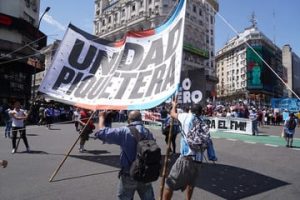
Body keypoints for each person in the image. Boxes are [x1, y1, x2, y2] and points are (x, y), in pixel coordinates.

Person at [94, 110, 155, 200]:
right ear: (141, 119)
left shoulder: (124, 131)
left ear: (129, 120)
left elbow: (102, 133)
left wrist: (101, 117)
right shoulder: (147, 132)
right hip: (146, 173)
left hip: (129, 173)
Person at [163, 101, 214, 200]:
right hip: (198, 161)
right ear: (200, 112)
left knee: (169, 183)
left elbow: (172, 114)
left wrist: (174, 105)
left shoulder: (186, 116)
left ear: (191, 110)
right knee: (190, 183)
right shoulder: (203, 122)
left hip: (186, 158)